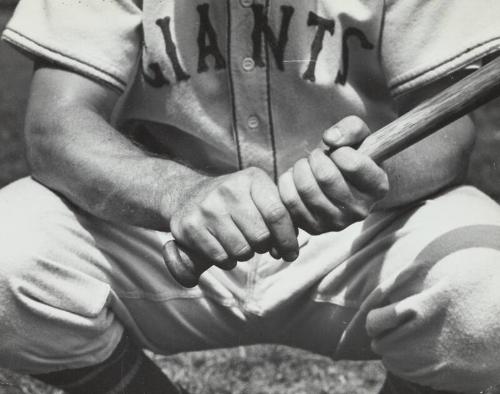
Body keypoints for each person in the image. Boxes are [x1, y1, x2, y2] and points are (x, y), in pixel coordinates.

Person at [1, 0, 500, 393]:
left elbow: (448, 134)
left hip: (358, 234)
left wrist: (369, 174)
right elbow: (56, 127)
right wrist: (180, 194)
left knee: (486, 286)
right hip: (163, 234)